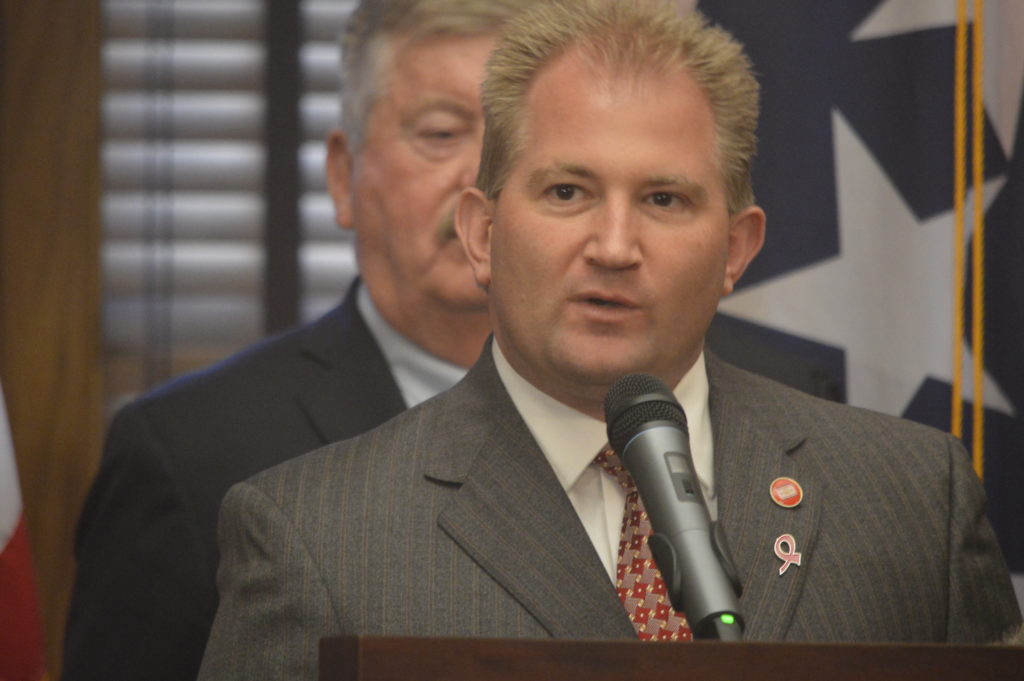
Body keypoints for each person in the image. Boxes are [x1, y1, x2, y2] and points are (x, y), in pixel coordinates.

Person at [196, 1, 1022, 678]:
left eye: (665, 199)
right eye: (566, 191)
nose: (615, 245)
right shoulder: (315, 534)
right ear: (482, 234)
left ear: (737, 249)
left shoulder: (915, 499)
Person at [60, 2, 540, 680]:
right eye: (440, 132)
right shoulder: (191, 455)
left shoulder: (695, 396)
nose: (482, 180)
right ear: (343, 176)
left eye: (517, 140)